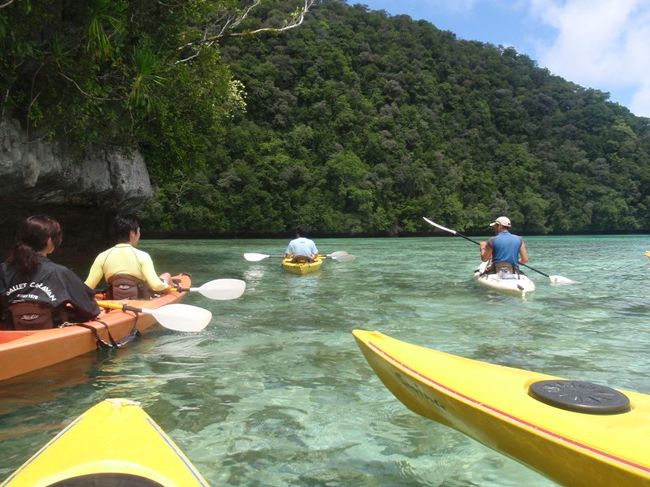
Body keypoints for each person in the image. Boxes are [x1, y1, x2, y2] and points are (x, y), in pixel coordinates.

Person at [0, 215, 100, 329]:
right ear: (49, 241)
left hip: (11, 332)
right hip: (51, 331)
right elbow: (90, 310)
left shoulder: (3, 270)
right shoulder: (60, 272)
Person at [85, 213, 171, 299]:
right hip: (139, 301)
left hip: (113, 299)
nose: (139, 235)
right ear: (132, 233)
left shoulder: (102, 256)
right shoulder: (143, 256)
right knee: (166, 276)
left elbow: (87, 287)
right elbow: (156, 285)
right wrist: (168, 288)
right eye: (139, 231)